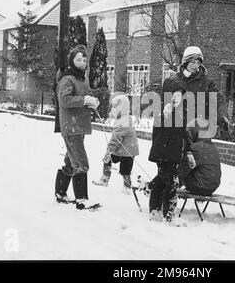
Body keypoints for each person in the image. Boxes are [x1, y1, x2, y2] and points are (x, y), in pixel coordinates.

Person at [54, 45, 101, 210]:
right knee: (81, 162)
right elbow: (65, 101)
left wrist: (92, 101)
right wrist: (84, 100)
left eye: (84, 59)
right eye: (78, 59)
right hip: (71, 125)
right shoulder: (67, 79)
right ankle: (81, 200)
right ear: (72, 61)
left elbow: (84, 97)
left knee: (71, 161)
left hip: (79, 125)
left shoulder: (83, 78)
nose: (82, 63)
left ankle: (60, 193)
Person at [148, 79, 186, 223]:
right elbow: (159, 132)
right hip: (164, 154)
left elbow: (182, 134)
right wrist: (165, 115)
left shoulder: (179, 112)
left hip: (173, 155)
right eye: (174, 95)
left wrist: (185, 150)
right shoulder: (163, 111)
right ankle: (168, 214)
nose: (177, 98)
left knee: (162, 182)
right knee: (171, 184)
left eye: (179, 95)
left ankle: (155, 210)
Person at [92, 94, 139, 194]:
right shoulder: (125, 118)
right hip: (127, 149)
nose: (113, 109)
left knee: (111, 161)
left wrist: (108, 151)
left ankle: (109, 181)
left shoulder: (123, 121)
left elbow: (116, 139)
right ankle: (123, 185)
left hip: (126, 151)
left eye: (115, 107)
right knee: (124, 169)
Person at [180, 117, 221, 196]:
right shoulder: (213, 147)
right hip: (212, 186)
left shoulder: (196, 148)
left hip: (200, 186)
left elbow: (183, 170)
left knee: (181, 173)